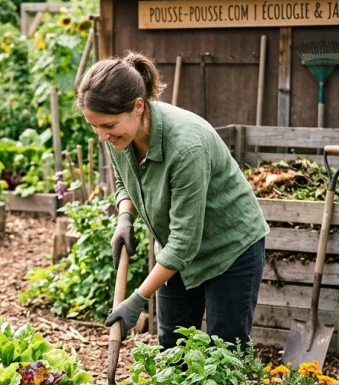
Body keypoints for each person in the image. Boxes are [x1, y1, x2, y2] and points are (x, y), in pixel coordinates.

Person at [76, 51, 270, 349]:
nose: (102, 136)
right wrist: (125, 216)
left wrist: (138, 298)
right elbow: (123, 180)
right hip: (175, 251)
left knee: (225, 350)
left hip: (229, 250)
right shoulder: (118, 135)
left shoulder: (186, 147)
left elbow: (184, 242)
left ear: (138, 106)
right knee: (173, 346)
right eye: (95, 127)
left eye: (109, 126)